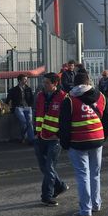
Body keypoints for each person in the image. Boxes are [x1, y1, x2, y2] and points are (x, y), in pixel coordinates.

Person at [59, 72, 108, 216]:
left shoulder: (69, 99)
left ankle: (85, 210)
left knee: (83, 176)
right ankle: (96, 204)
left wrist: (65, 143)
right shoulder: (100, 96)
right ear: (89, 82)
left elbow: (64, 125)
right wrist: (103, 136)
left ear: (74, 83)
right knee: (95, 174)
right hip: (97, 139)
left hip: (78, 142)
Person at [34, 72, 68, 206]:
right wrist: (35, 132)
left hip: (54, 139)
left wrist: (59, 135)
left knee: (49, 167)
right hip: (40, 136)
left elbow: (66, 120)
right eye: (44, 82)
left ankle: (47, 195)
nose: (44, 85)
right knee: (44, 168)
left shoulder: (64, 97)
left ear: (55, 84)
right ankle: (60, 185)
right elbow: (36, 114)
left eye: (47, 83)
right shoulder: (40, 96)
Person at [5, 74, 35, 145]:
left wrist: (30, 105)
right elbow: (8, 100)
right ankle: (23, 137)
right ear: (19, 80)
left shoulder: (28, 89)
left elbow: (32, 98)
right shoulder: (13, 90)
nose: (26, 81)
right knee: (24, 122)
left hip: (27, 107)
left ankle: (31, 140)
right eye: (24, 79)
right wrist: (11, 107)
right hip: (18, 108)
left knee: (30, 123)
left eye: (26, 79)